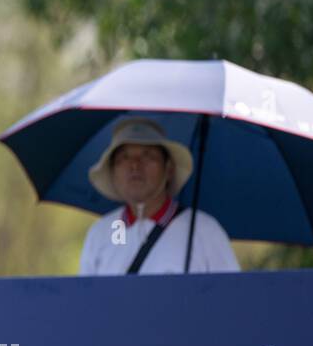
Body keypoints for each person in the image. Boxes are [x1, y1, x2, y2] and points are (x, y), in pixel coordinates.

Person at [79, 116, 239, 275]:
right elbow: (86, 297)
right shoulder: (105, 232)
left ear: (168, 169)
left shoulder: (203, 231)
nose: (135, 165)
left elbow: (231, 295)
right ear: (113, 172)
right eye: (124, 157)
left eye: (148, 156)